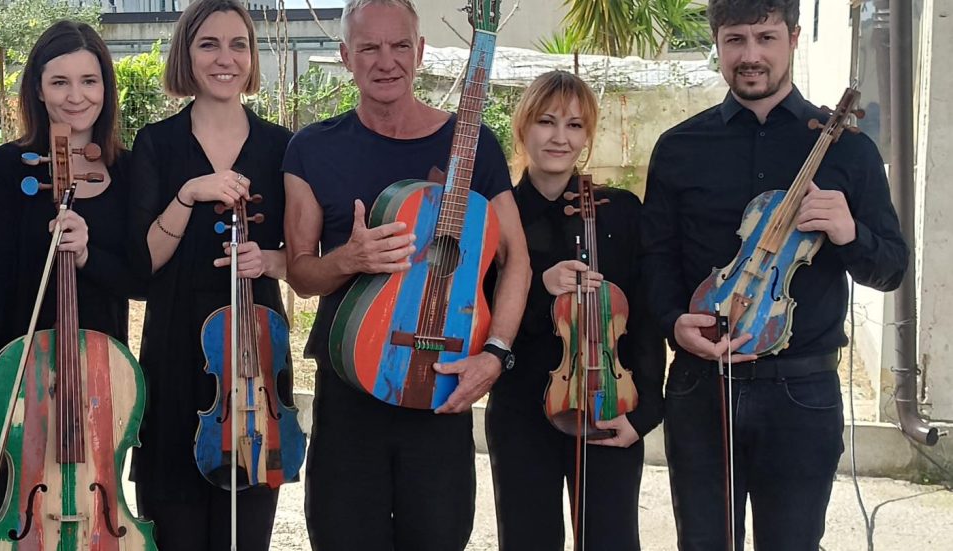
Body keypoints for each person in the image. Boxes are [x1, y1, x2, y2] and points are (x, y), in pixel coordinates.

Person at [641, 1, 909, 549]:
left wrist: (847, 231)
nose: (751, 55)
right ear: (717, 43)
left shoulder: (849, 151)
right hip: (701, 385)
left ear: (793, 37)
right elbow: (655, 258)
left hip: (802, 393)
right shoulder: (678, 148)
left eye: (766, 37)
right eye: (735, 39)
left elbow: (891, 270)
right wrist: (674, 323)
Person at [282, 0, 531, 549]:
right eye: (369, 47)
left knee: (439, 537)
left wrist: (496, 353)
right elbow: (300, 273)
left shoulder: (475, 145)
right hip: (349, 386)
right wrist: (350, 259)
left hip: (441, 380)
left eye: (399, 46)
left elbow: (517, 259)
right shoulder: (311, 149)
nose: (386, 61)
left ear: (419, 52)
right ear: (346, 56)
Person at [127, 1, 293, 548]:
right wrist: (188, 193)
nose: (226, 58)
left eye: (238, 44)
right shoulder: (156, 143)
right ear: (187, 54)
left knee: (246, 528)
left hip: (256, 358)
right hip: (176, 349)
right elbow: (143, 262)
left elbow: (308, 258)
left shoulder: (282, 144)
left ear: (252, 56)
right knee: (173, 521)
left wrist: (268, 261)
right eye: (209, 44)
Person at [485, 70, 665, 551]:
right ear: (523, 127)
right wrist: (539, 289)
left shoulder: (621, 211)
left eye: (575, 126)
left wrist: (644, 413)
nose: (560, 138)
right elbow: (476, 317)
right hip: (521, 407)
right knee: (527, 540)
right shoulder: (497, 215)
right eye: (546, 122)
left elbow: (643, 320)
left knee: (610, 539)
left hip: (607, 401)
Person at [0, 20, 141, 516]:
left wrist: (89, 255)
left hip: (100, 384)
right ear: (38, 90)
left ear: (106, 89)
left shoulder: (129, 171)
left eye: (89, 81)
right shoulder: (6, 170)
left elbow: (141, 279)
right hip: (16, 378)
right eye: (59, 82)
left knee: (96, 520)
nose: (76, 97)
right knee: (17, 517)